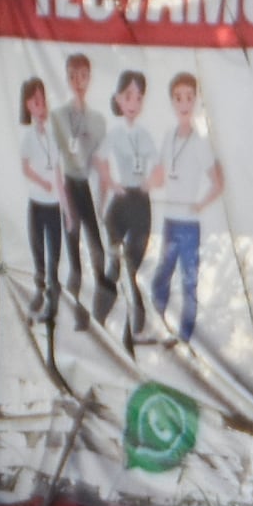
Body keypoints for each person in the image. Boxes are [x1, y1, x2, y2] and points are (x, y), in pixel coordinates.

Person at [149, 70, 227, 344]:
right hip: (170, 219)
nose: (183, 103)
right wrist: (142, 186)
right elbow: (159, 174)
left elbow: (218, 183)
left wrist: (200, 203)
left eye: (189, 98)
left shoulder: (201, 143)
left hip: (189, 224)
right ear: (172, 102)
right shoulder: (168, 137)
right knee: (162, 275)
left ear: (195, 102)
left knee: (188, 282)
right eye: (178, 98)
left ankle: (184, 336)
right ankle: (159, 324)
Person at [97, 68, 162, 343]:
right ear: (119, 99)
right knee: (114, 267)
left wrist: (148, 183)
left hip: (140, 204)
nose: (133, 103)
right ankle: (97, 323)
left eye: (138, 97)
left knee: (132, 267)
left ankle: (135, 330)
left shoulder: (144, 135)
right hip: (120, 203)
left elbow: (159, 167)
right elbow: (100, 161)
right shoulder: (114, 134)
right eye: (128, 96)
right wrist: (111, 183)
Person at [51, 53, 115, 328]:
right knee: (74, 254)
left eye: (83, 76)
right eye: (73, 75)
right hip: (67, 184)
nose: (78, 81)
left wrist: (102, 202)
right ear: (67, 78)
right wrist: (64, 204)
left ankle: (100, 314)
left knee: (97, 250)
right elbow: (53, 162)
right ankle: (73, 314)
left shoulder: (98, 120)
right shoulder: (57, 117)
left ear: (89, 78)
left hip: (84, 186)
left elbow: (101, 164)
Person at [11, 76, 70, 348]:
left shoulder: (53, 134)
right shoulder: (28, 136)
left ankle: (52, 302)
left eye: (43, 99)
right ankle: (39, 291)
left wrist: (66, 207)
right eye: (35, 101)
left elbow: (58, 171)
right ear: (28, 105)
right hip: (36, 203)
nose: (41, 104)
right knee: (39, 254)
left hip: (53, 205)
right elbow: (24, 168)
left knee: (54, 253)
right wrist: (41, 182)